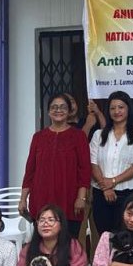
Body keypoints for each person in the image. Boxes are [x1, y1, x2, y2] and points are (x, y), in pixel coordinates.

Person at [20, 93, 91, 238]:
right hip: (41, 198)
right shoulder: (38, 137)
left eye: (63, 107)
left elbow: (84, 170)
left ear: (69, 111)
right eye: (54, 107)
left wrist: (81, 198)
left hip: (69, 199)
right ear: (48, 111)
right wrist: (22, 199)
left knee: (68, 243)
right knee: (42, 243)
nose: (58, 110)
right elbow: (30, 170)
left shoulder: (79, 136)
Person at [90, 91, 133, 234]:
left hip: (128, 194)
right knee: (105, 235)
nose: (117, 111)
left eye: (121, 107)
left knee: (127, 235)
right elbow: (92, 163)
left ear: (128, 109)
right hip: (101, 193)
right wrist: (106, 187)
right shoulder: (99, 135)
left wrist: (113, 181)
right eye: (112, 108)